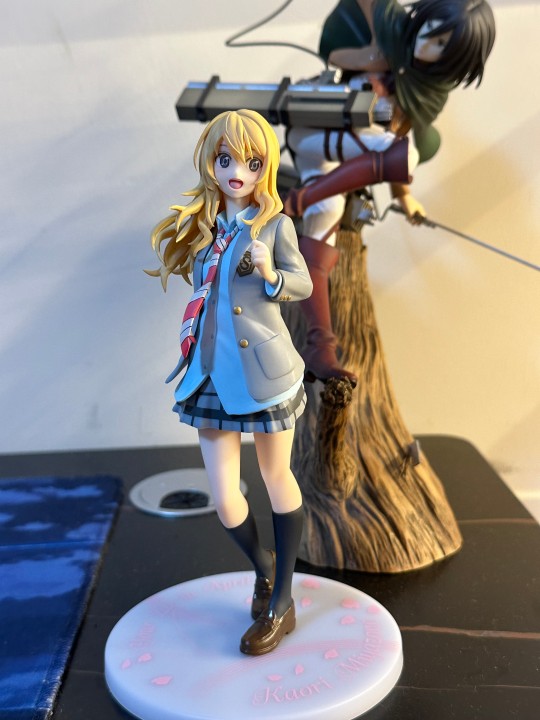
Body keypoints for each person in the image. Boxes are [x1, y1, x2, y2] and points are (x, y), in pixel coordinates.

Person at [148, 109, 313, 656]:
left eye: (251, 162)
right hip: (211, 373)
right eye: (226, 159)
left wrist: (270, 273)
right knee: (224, 499)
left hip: (265, 373)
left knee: (275, 475)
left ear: (266, 167)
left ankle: (282, 601)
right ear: (211, 162)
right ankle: (264, 566)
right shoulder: (205, 227)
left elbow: (303, 284)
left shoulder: (275, 226)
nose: (237, 172)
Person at [285, 0, 496, 384]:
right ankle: (299, 199)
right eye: (431, 30)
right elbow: (337, 51)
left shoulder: (427, 91)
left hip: (343, 156)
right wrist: (372, 56)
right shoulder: (391, 30)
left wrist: (404, 197)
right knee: (402, 154)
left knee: (320, 232)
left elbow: (397, 145)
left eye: (442, 44)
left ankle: (319, 347)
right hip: (314, 134)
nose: (427, 43)